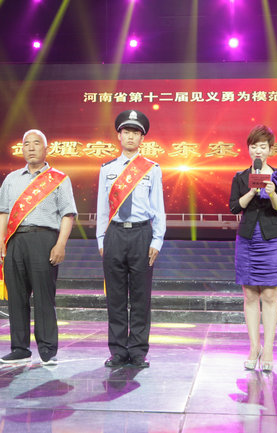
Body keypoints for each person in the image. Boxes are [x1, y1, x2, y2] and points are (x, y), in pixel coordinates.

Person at [0, 129, 77, 365]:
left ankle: (48, 349)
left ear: (46, 149)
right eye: (26, 144)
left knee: (43, 297)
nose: (31, 148)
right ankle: (19, 349)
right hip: (15, 241)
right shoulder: (11, 179)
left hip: (44, 240)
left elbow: (68, 214)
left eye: (36, 143)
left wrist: (60, 244)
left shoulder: (59, 179)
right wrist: (0, 241)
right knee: (16, 298)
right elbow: (3, 213)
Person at [96, 109, 166, 368]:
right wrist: (101, 239)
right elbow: (102, 208)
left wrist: (156, 241)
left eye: (136, 133)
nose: (130, 137)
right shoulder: (107, 169)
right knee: (115, 297)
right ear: (119, 135)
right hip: (114, 234)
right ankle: (117, 351)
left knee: (140, 296)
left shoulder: (152, 169)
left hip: (141, 234)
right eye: (126, 132)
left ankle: (137, 351)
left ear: (142, 138)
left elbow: (158, 208)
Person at [229, 125, 277, 372]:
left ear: (270, 150)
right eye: (253, 146)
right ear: (249, 149)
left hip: (271, 240)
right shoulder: (241, 177)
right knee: (250, 295)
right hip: (247, 240)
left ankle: (269, 349)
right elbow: (234, 207)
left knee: (270, 296)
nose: (258, 151)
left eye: (262, 147)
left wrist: (272, 193)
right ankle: (254, 347)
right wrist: (251, 192)